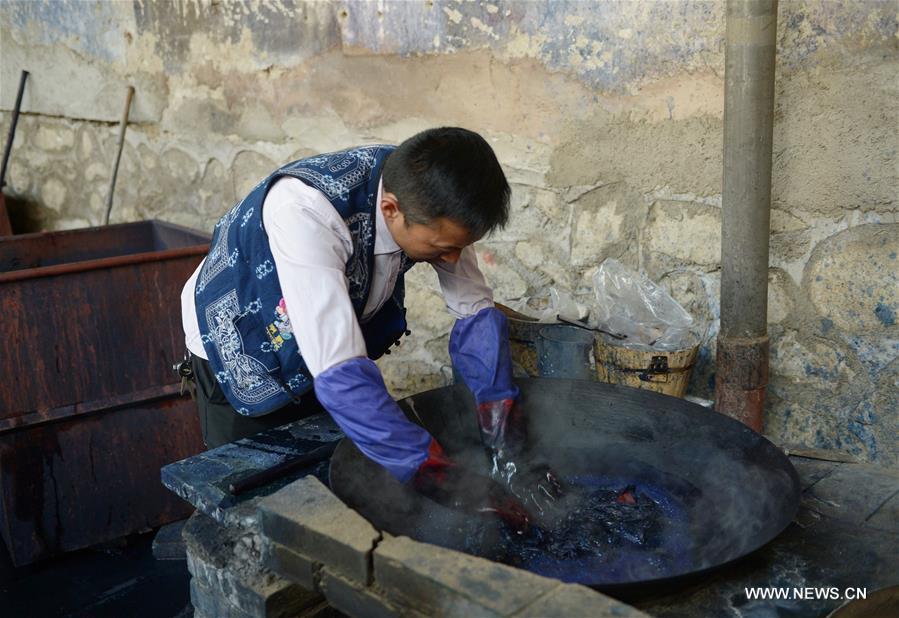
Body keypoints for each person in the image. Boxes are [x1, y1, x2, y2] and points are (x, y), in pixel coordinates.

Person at [180, 127, 561, 526]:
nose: (452, 259)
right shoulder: (305, 213)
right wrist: (442, 479)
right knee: (258, 502)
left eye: (459, 247)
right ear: (391, 209)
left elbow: (474, 312)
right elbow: (339, 368)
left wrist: (503, 430)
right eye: (442, 249)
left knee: (329, 474)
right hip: (243, 347)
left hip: (323, 349)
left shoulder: (427, 195)